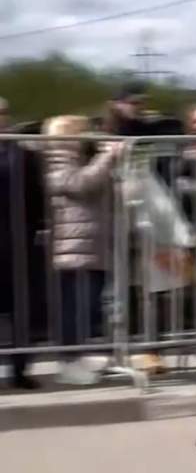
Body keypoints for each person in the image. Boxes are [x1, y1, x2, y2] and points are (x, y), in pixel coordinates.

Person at [42, 115, 125, 385]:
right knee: (76, 308)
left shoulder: (80, 159)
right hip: (74, 247)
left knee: (89, 308)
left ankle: (78, 355)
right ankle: (68, 362)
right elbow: (80, 184)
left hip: (91, 244)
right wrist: (106, 157)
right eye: (85, 131)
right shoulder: (58, 160)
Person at [0, 99, 47, 390]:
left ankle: (20, 369)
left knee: (23, 308)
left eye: (2, 113)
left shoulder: (24, 154)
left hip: (19, 240)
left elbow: (36, 196)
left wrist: (36, 227)